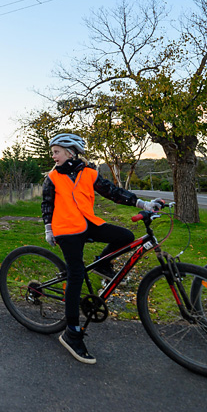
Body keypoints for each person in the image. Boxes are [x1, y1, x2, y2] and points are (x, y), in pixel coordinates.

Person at [41, 133, 163, 365]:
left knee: (125, 236)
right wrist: (48, 228)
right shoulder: (52, 177)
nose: (53, 156)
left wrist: (142, 203)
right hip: (66, 229)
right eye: (53, 152)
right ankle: (71, 333)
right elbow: (47, 204)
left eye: (56, 151)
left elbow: (113, 192)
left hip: (88, 224)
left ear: (70, 152)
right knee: (76, 275)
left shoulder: (90, 173)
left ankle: (103, 262)